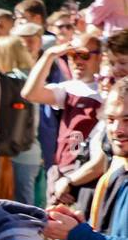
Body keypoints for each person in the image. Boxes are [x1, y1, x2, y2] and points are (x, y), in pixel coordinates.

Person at [43, 77, 128, 240]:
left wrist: (78, 235)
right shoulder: (116, 176)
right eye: (110, 119)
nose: (117, 129)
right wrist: (74, 233)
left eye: (127, 119)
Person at [23, 31, 103, 209]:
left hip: (85, 172)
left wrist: (71, 180)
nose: (78, 61)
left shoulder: (105, 92)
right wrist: (49, 55)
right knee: (53, 227)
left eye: (84, 55)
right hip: (60, 168)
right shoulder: (69, 88)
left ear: (99, 58)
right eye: (72, 55)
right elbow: (30, 93)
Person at [0, 35, 41, 205]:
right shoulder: (32, 77)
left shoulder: (12, 80)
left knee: (22, 205)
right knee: (26, 201)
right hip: (31, 148)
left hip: (15, 151)